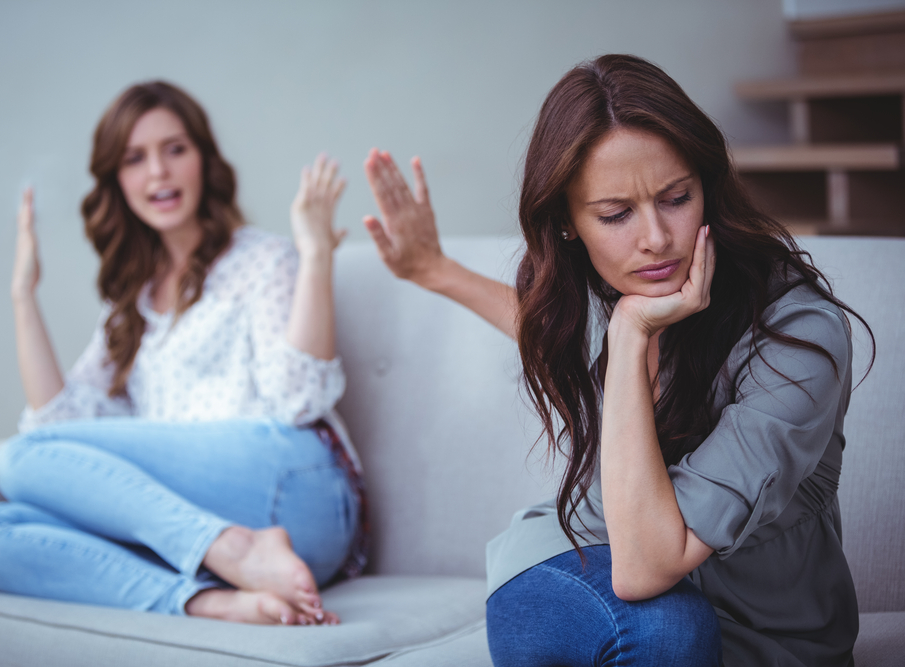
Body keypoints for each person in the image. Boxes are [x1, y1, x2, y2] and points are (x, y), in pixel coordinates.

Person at [362, 54, 871, 666]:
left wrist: (629, 336)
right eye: (615, 215)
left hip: (763, 635)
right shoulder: (614, 295)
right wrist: (434, 271)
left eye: (676, 197)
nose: (655, 237)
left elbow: (648, 566)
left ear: (707, 186)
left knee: (674, 631)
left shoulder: (798, 336)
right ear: (570, 225)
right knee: (667, 631)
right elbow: (541, 325)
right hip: (577, 568)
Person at [0, 81, 364, 627]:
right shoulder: (132, 302)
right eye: (134, 159)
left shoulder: (262, 259)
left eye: (175, 150)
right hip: (202, 527)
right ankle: (207, 599)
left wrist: (313, 257)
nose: (158, 174)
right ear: (116, 181)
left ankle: (232, 549)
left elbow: (298, 400)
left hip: (299, 490)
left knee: (19, 457)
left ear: (204, 161)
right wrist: (23, 296)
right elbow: (59, 422)